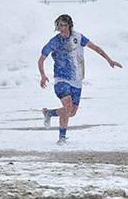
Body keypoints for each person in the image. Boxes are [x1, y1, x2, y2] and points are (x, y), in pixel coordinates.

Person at [38, 14, 122, 144]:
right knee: (67, 107)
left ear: (70, 25)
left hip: (77, 80)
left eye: (65, 25)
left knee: (71, 112)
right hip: (61, 79)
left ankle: (49, 113)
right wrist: (43, 75)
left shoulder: (78, 37)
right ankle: (62, 138)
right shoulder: (54, 41)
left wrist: (109, 60)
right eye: (60, 25)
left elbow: (96, 48)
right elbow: (41, 59)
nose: (62, 28)